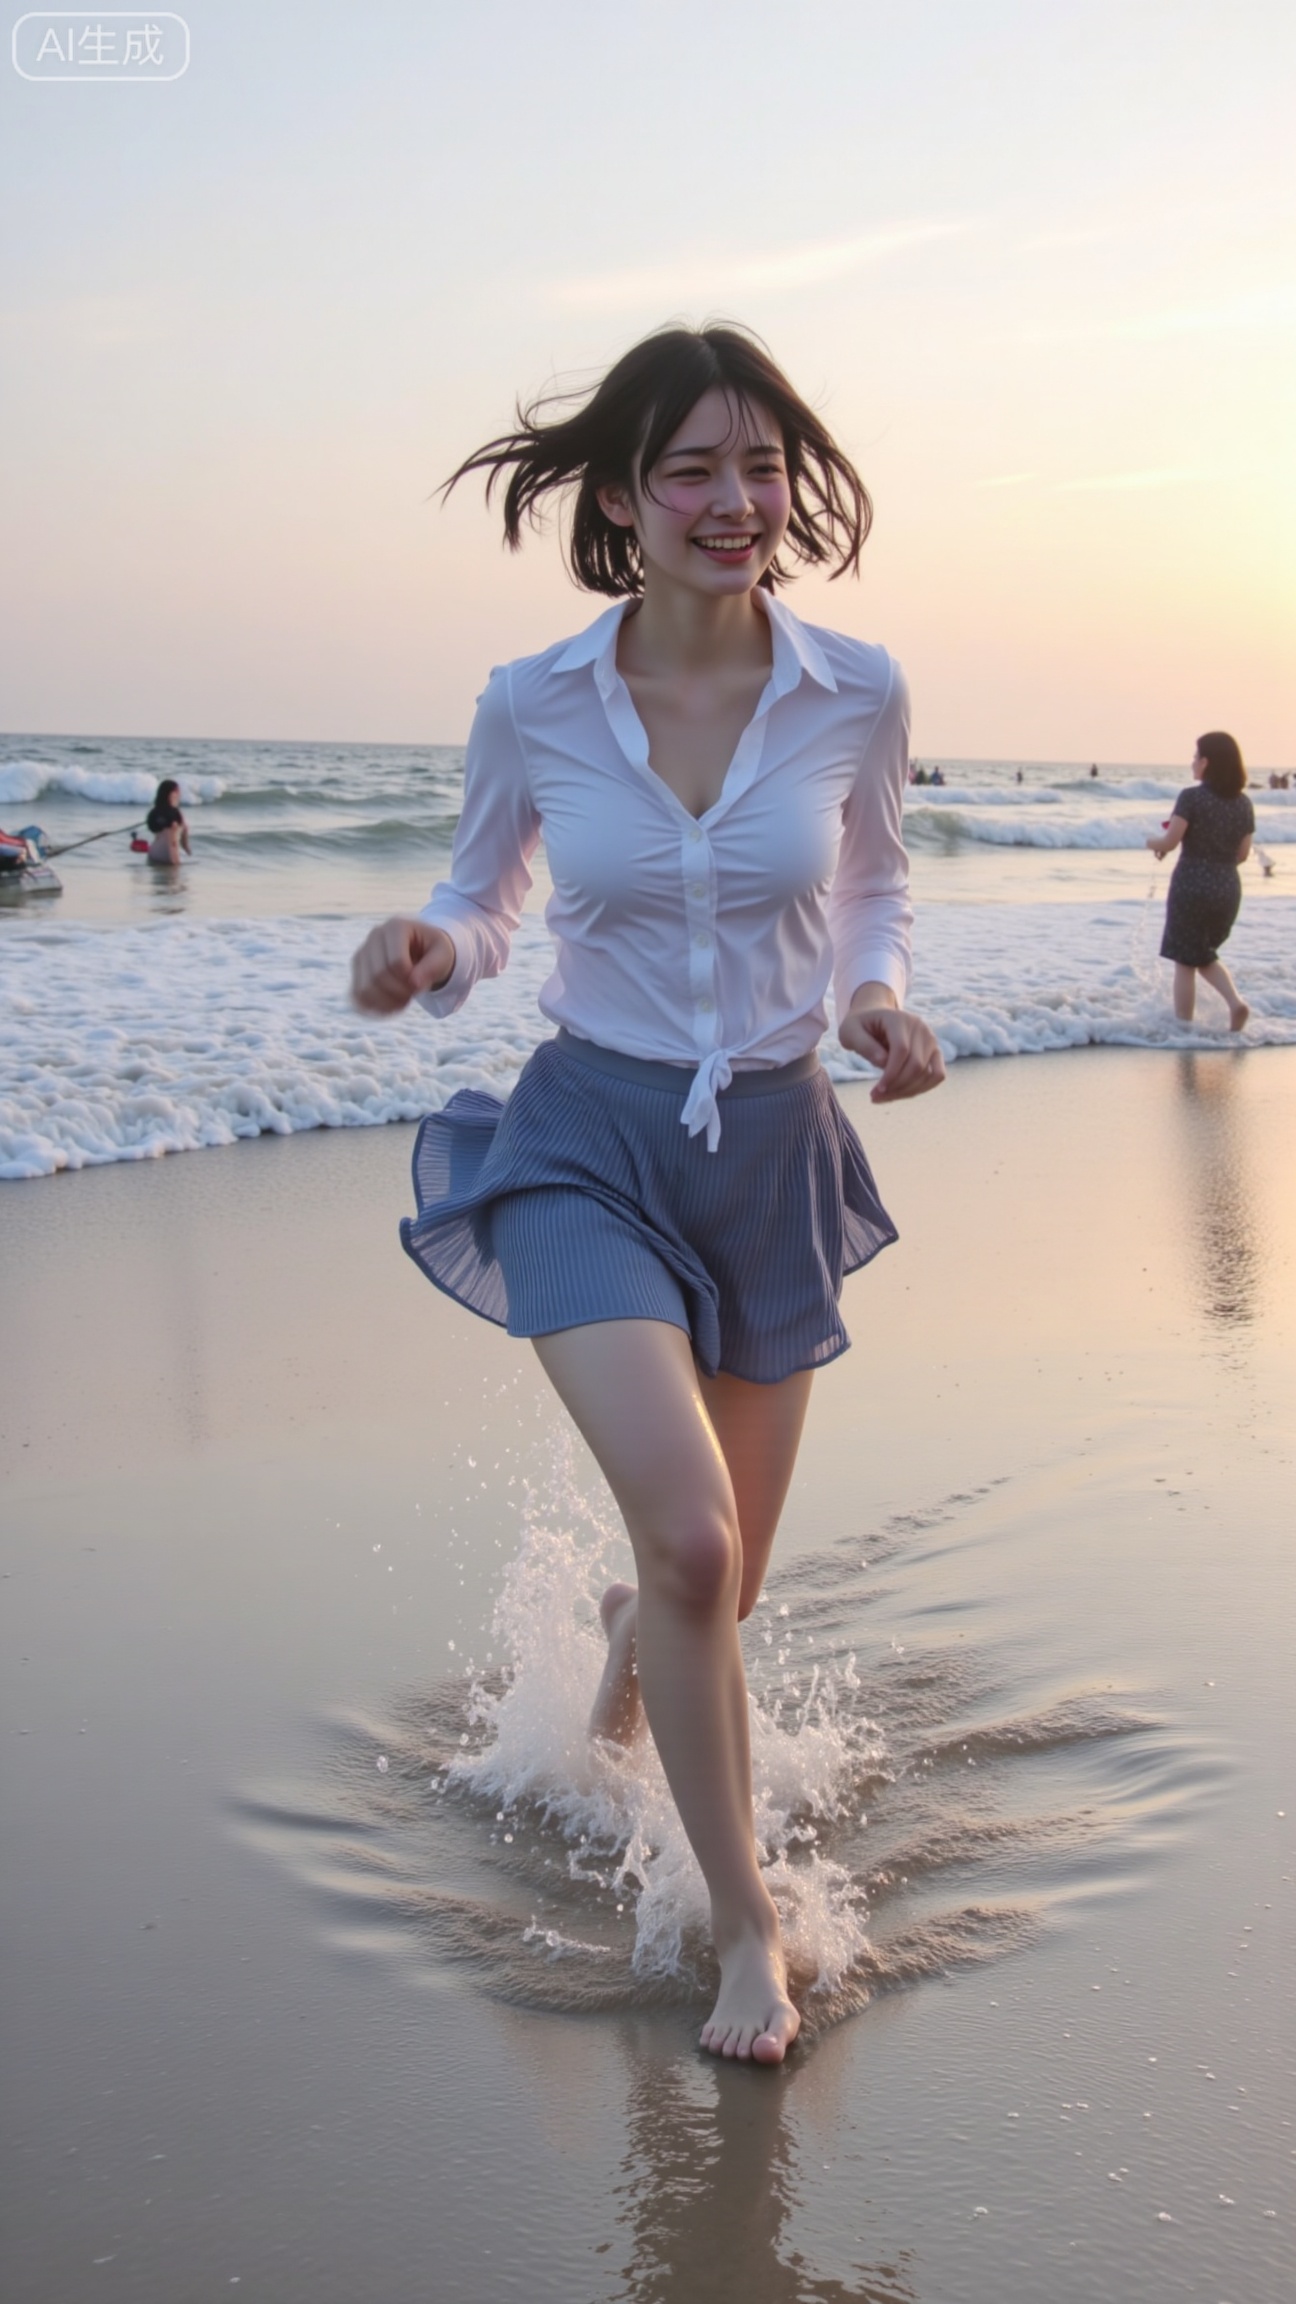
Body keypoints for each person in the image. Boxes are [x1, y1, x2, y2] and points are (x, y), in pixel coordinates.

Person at [350, 323, 945, 2065]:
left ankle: (629, 1648)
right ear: (616, 496)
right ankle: (746, 1925)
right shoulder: (536, 697)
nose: (734, 500)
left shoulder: (858, 687)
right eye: (691, 468)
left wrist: (873, 1003)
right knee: (691, 1535)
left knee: (716, 1581)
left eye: (760, 466)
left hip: (771, 1149)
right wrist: (428, 949)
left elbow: (874, 891)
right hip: (583, 1142)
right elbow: (487, 890)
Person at [1147, 732, 1254, 1030]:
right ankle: (1235, 1003)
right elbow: (1243, 854)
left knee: (1184, 960)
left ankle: (1184, 1028)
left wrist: (1149, 841)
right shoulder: (1244, 803)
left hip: (1191, 884)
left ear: (1206, 762)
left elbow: (1169, 842)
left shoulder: (1191, 797)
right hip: (1227, 888)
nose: (1192, 762)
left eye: (1195, 756)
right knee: (1204, 953)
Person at [145, 778, 190, 866]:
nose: (179, 794)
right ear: (171, 794)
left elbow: (154, 829)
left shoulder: (153, 812)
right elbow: (176, 842)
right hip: (168, 856)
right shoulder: (175, 814)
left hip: (153, 854)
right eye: (177, 791)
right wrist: (184, 854)